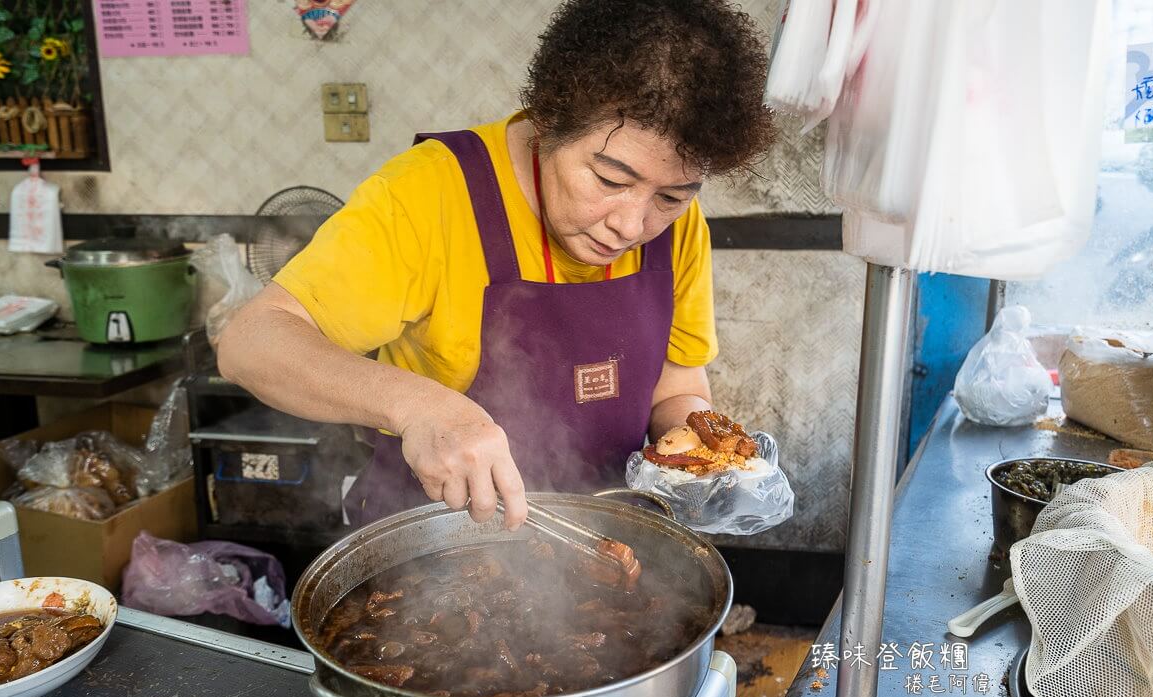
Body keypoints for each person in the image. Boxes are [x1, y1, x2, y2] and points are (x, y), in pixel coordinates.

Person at [217, 0, 775, 530]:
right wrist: (419, 407)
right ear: (550, 120)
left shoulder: (676, 227)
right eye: (610, 180)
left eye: (672, 196)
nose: (632, 226)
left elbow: (676, 383)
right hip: (435, 547)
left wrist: (705, 456)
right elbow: (251, 343)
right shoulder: (430, 193)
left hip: (612, 540)